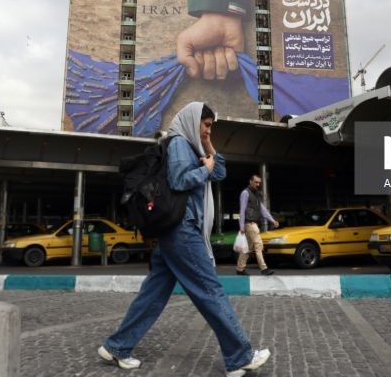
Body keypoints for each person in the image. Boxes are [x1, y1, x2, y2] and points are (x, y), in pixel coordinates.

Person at [98, 102, 271, 377]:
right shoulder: (179, 144)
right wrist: (204, 169)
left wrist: (209, 146)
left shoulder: (195, 146)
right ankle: (239, 357)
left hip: (175, 233)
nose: (207, 130)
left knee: (153, 294)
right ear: (192, 120)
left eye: (210, 126)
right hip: (182, 230)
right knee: (210, 290)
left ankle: (117, 346)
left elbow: (221, 172)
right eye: (206, 125)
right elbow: (179, 180)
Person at [236, 174, 279, 276]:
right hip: (250, 224)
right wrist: (241, 226)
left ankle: (240, 268)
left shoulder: (256, 195)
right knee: (259, 244)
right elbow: (242, 210)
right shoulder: (245, 193)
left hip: (252, 224)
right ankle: (264, 268)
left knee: (248, 248)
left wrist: (272, 220)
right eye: (256, 182)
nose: (258, 184)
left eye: (259, 183)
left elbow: (263, 210)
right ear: (250, 181)